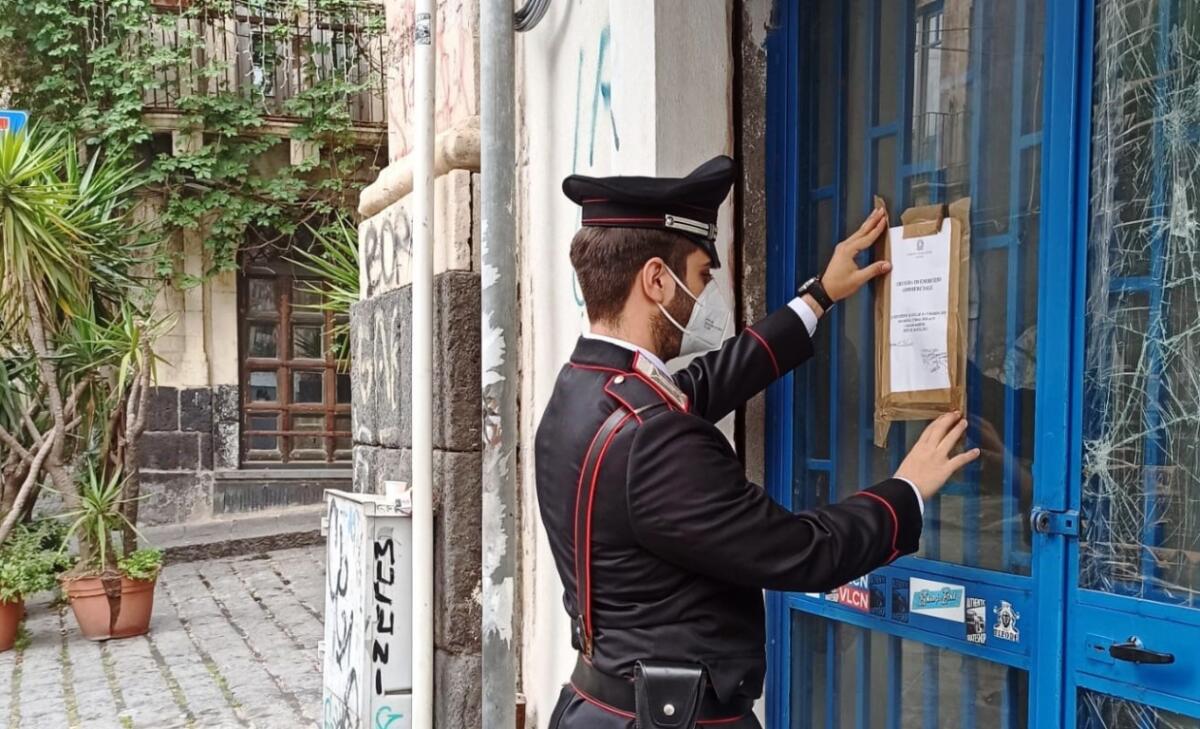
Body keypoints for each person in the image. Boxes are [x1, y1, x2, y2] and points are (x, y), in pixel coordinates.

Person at [535, 156, 979, 729]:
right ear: (655, 281)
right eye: (700, 275)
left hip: (597, 706)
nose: (708, 294)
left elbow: (702, 385)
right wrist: (906, 490)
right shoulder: (652, 437)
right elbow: (802, 551)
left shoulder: (581, 391)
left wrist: (818, 298)